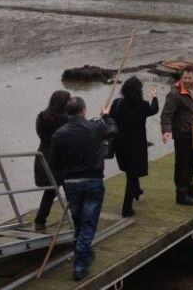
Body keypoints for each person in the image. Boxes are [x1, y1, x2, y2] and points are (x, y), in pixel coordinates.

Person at [51, 97, 111, 281]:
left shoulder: (59, 134)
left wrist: (64, 178)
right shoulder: (95, 127)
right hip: (93, 181)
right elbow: (112, 131)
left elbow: (55, 162)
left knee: (78, 222)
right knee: (88, 224)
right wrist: (106, 117)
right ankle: (79, 265)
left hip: (71, 183)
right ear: (84, 110)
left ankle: (84, 253)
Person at [161, 66, 193, 206]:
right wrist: (166, 131)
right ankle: (181, 194)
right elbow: (166, 114)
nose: (187, 80)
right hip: (182, 135)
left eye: (190, 78)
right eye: (185, 78)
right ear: (181, 78)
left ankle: (191, 188)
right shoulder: (174, 94)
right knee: (182, 165)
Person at [111, 76, 159, 217]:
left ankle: (137, 191)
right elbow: (154, 109)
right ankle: (126, 208)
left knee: (129, 171)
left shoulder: (117, 103)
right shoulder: (142, 105)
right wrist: (154, 96)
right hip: (136, 144)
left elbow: (110, 118)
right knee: (132, 175)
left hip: (120, 144)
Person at [34, 90, 70, 231]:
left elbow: (40, 135)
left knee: (50, 191)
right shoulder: (66, 119)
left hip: (44, 155)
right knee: (69, 188)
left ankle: (40, 220)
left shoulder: (42, 116)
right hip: (60, 157)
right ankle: (76, 218)